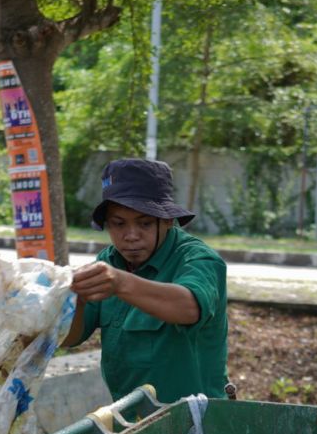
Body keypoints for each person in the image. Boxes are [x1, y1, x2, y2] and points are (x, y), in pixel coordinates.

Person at [61, 158, 228, 402]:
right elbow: (71, 338)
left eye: (145, 223)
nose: (131, 236)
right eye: (118, 224)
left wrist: (121, 283)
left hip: (195, 420)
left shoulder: (198, 260)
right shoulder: (108, 262)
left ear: (168, 221)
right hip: (128, 418)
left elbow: (190, 307)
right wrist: (76, 300)